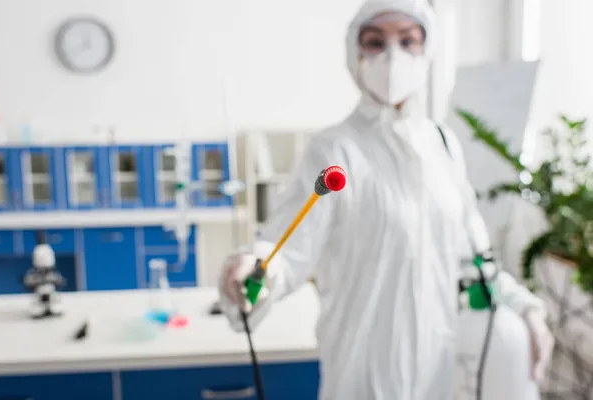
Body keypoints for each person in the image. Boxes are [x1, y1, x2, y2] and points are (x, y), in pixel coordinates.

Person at [218, 0, 554, 399]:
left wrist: (525, 306)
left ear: (426, 51)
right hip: (363, 368)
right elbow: (287, 249)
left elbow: (474, 254)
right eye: (376, 42)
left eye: (407, 40)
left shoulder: (443, 145)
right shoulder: (334, 151)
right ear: (355, 55)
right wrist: (256, 268)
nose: (392, 55)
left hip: (437, 369)